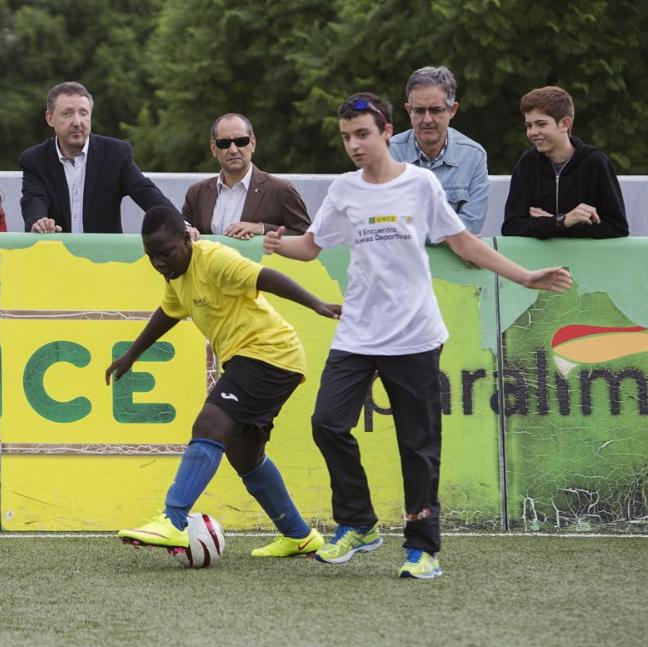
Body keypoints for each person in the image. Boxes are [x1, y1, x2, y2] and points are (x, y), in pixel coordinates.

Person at [264, 93, 573, 579]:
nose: (354, 145)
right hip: (357, 335)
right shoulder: (343, 191)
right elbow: (310, 247)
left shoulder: (421, 184)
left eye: (363, 134)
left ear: (388, 132)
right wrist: (277, 242)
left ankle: (422, 548)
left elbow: (464, 242)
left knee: (418, 445)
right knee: (327, 423)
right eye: (347, 137)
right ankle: (359, 524)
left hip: (414, 336)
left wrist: (525, 276)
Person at [109, 206, 341, 559]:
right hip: (251, 360)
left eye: (165, 253)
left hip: (269, 354)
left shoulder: (214, 259)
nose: (158, 262)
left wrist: (316, 304)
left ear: (187, 239)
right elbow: (169, 312)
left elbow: (265, 277)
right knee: (244, 454)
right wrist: (132, 355)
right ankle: (300, 536)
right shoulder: (175, 275)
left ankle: (173, 519)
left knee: (210, 423)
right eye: (151, 256)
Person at [19, 81, 175, 234]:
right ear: (50, 118)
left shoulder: (116, 154)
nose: (77, 122)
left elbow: (145, 192)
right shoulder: (34, 160)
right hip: (57, 255)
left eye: (83, 113)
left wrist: (179, 224)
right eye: (67, 114)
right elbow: (34, 200)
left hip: (104, 257)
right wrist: (39, 222)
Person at [501, 85, 628, 239]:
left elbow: (617, 227)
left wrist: (557, 223)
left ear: (565, 124)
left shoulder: (595, 162)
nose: (532, 132)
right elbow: (511, 227)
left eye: (541, 124)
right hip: (539, 262)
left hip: (587, 261)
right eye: (529, 125)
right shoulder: (526, 163)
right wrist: (560, 221)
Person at [389, 66, 489, 235]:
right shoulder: (388, 153)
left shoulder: (473, 156)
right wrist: (446, 232)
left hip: (451, 261)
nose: (427, 119)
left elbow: (471, 227)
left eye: (436, 110)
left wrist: (415, 231)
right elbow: (385, 225)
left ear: (452, 110)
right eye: (419, 111)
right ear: (408, 111)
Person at [182, 113, 311, 239]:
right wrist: (185, 230)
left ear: (253, 144)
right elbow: (181, 229)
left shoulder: (281, 190)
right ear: (213, 148)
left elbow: (306, 237)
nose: (233, 150)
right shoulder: (197, 192)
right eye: (224, 143)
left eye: (241, 141)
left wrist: (261, 229)